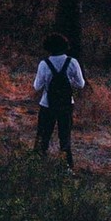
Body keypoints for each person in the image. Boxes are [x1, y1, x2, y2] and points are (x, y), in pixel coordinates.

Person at [33, 28, 85, 164]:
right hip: (66, 104)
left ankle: (37, 164)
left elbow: (37, 86)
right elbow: (81, 84)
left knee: (43, 136)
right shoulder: (72, 62)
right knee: (65, 138)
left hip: (47, 104)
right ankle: (67, 167)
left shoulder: (44, 64)